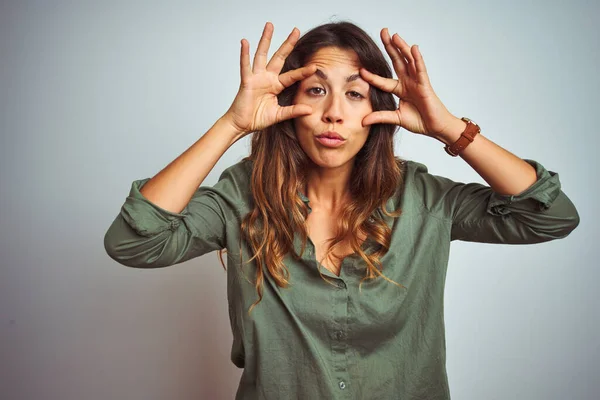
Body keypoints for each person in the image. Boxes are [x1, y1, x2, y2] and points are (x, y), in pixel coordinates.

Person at [104, 21, 580, 400]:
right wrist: (232, 125)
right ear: (287, 104)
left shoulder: (423, 196)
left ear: (377, 110)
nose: (334, 112)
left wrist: (448, 128)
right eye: (316, 90)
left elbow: (550, 215)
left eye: (354, 93)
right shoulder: (242, 195)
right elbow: (135, 242)